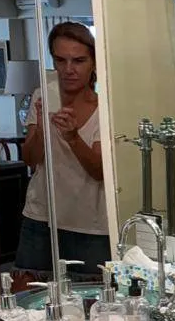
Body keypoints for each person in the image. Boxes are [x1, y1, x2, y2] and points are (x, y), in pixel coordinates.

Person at [14, 22, 110, 280]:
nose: (69, 69)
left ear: (93, 63)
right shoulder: (43, 95)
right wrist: (42, 129)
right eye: (60, 60)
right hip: (41, 215)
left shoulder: (104, 107)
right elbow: (30, 159)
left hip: (90, 223)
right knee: (28, 294)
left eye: (78, 61)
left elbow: (100, 171)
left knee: (92, 297)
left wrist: (72, 137)